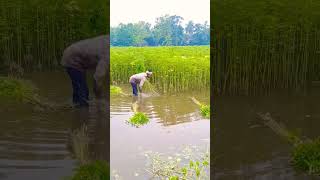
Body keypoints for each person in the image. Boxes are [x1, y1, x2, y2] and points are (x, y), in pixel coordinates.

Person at [61, 35, 109, 107]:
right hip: (72, 58)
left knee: (81, 92)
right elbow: (98, 77)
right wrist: (99, 98)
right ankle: (81, 113)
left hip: (75, 54)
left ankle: (76, 107)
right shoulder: (108, 51)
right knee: (82, 94)